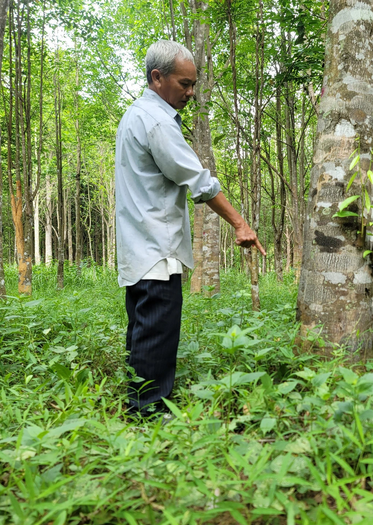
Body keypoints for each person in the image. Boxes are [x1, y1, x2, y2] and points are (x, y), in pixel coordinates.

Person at [115, 40, 265, 419]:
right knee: (155, 336)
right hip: (156, 249)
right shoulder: (157, 122)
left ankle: (140, 406)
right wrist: (240, 223)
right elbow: (199, 182)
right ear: (157, 77)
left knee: (143, 334)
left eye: (193, 84)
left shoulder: (136, 115)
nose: (191, 93)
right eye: (184, 84)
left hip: (140, 249)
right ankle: (148, 415)